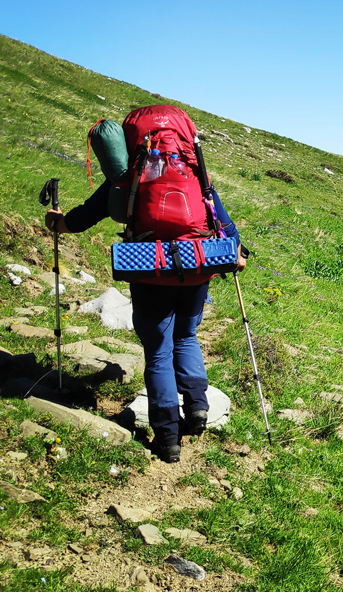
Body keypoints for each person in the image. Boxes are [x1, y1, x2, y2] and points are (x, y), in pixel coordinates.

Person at [44, 176, 244, 463]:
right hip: (197, 265)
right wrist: (238, 249)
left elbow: (87, 214)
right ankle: (198, 409)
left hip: (150, 266)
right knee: (187, 336)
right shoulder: (193, 169)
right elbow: (222, 220)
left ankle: (167, 438)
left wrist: (58, 224)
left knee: (159, 352)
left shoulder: (129, 174)